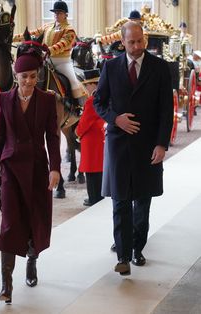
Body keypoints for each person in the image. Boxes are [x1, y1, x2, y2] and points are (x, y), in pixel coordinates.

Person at [93, 21, 173, 276]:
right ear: (123, 41)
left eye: (140, 41)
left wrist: (161, 144)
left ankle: (138, 248)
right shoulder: (110, 66)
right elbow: (99, 102)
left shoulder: (159, 68)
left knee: (142, 200)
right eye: (131, 42)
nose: (136, 46)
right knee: (120, 200)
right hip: (118, 145)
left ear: (145, 40)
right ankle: (123, 255)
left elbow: (166, 110)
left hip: (148, 145)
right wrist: (115, 118)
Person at [0, 48, 61, 303]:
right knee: (9, 225)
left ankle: (32, 260)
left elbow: (52, 136)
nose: (28, 81)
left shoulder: (48, 100)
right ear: (16, 76)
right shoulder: (4, 99)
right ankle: (6, 285)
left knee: (34, 222)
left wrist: (55, 168)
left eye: (32, 76)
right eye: (24, 76)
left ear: (38, 75)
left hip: (38, 171)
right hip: (10, 170)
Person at [13, 0, 85, 111]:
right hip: (46, 59)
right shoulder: (47, 26)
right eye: (55, 13)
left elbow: (64, 44)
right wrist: (12, 38)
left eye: (59, 13)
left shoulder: (69, 30)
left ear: (66, 14)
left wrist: (49, 50)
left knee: (73, 81)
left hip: (62, 62)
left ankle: (78, 107)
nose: (56, 15)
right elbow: (30, 34)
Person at [75, 69, 105, 207]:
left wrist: (77, 132)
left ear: (93, 84)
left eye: (86, 85)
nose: (85, 88)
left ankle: (93, 197)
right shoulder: (104, 96)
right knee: (99, 168)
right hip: (99, 136)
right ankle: (98, 195)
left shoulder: (91, 100)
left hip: (91, 139)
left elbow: (84, 122)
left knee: (91, 169)